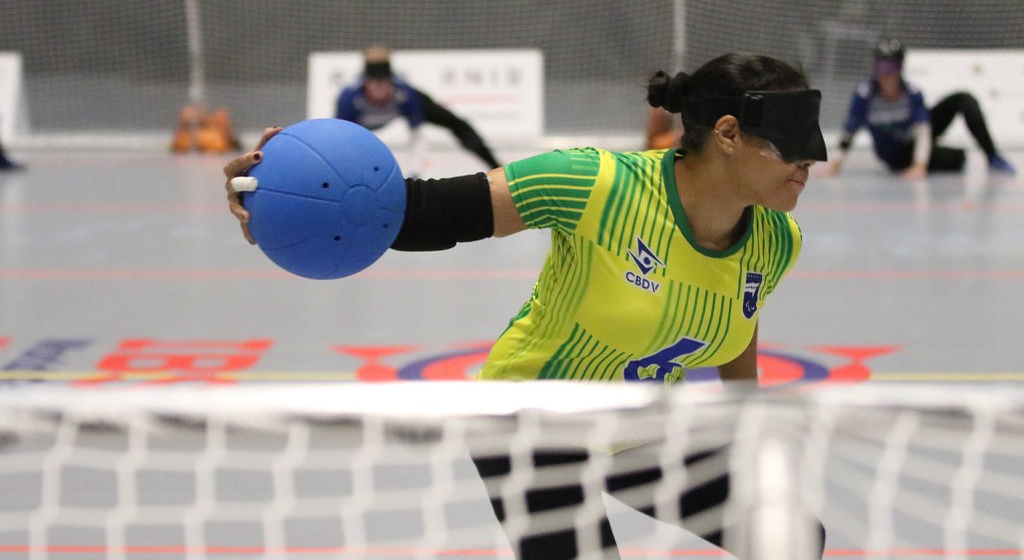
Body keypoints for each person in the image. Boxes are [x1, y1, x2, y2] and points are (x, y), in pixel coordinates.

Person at [225, 53, 828, 558]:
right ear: (727, 134)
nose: (812, 160)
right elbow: (424, 212)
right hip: (531, 426)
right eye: (793, 143)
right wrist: (286, 189)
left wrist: (747, 426)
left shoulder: (776, 240)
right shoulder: (597, 185)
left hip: (637, 430)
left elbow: (739, 317)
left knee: (791, 537)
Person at [828, 38, 1016, 178]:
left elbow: (923, 129)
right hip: (896, 155)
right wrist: (835, 163)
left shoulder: (912, 93)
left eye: (891, 67)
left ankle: (993, 157)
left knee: (964, 100)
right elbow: (849, 130)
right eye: (881, 67)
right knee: (957, 159)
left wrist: (920, 165)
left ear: (900, 68)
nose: (886, 74)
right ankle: (932, 155)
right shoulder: (865, 95)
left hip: (915, 142)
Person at [334, 46, 501, 176]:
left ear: (391, 81)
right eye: (375, 85)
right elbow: (341, 143)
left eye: (385, 84)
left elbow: (417, 136)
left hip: (407, 104)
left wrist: (414, 173)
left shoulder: (405, 94)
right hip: (360, 126)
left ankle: (498, 168)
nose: (381, 91)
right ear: (366, 84)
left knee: (458, 124)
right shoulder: (349, 99)